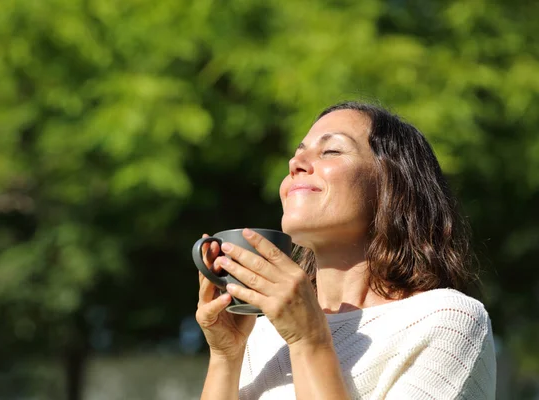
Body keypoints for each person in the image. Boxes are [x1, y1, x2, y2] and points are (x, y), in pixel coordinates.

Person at [195, 101, 496, 399]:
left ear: (391, 183)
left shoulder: (447, 321)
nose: (295, 164)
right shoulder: (261, 336)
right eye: (297, 155)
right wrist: (226, 355)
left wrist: (309, 341)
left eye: (331, 151)